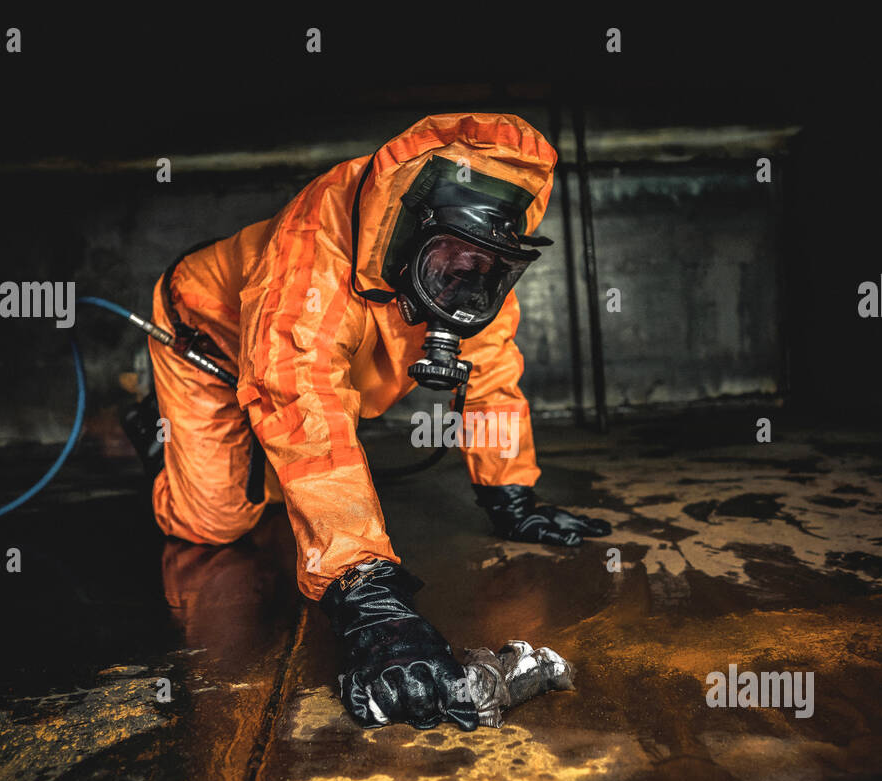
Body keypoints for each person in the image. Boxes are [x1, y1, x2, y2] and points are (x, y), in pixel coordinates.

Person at [131, 113, 610, 733]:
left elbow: (491, 371)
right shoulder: (314, 251)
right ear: (413, 231)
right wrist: (368, 594)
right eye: (451, 262)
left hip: (330, 354)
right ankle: (158, 429)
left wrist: (509, 491)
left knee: (289, 479)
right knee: (215, 523)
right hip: (210, 341)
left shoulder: (475, 264)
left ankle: (237, 453)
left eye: (484, 266)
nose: (467, 281)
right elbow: (304, 406)